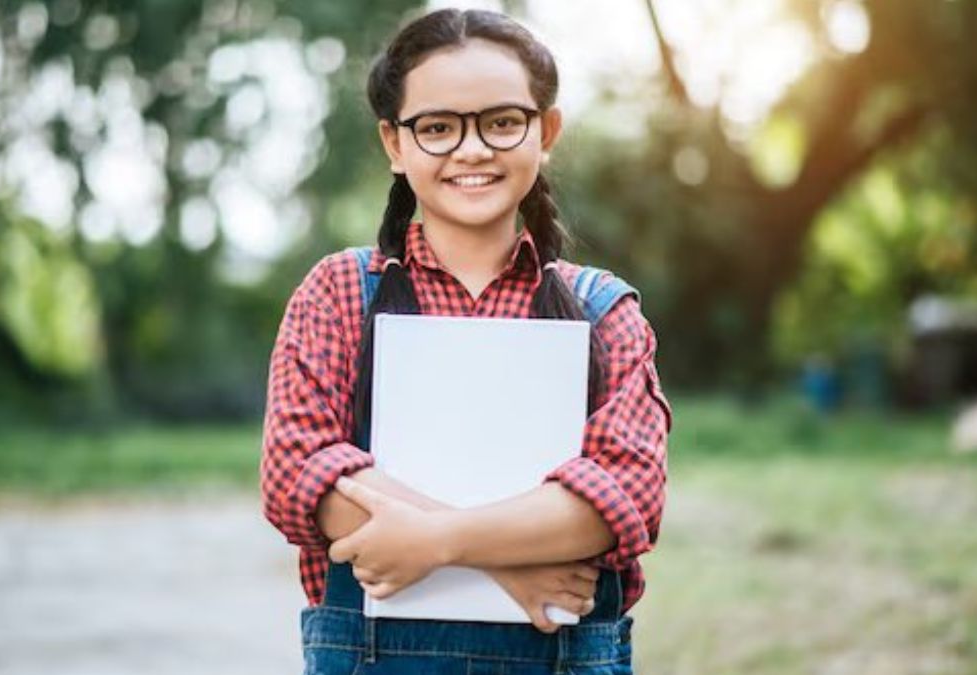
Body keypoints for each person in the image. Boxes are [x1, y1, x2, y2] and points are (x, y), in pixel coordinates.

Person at [260, 8, 671, 674]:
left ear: (547, 132)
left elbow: (622, 497)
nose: (473, 149)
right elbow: (298, 475)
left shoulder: (604, 311)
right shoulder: (337, 293)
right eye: (438, 128)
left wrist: (438, 539)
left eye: (502, 122)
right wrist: (512, 570)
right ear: (395, 144)